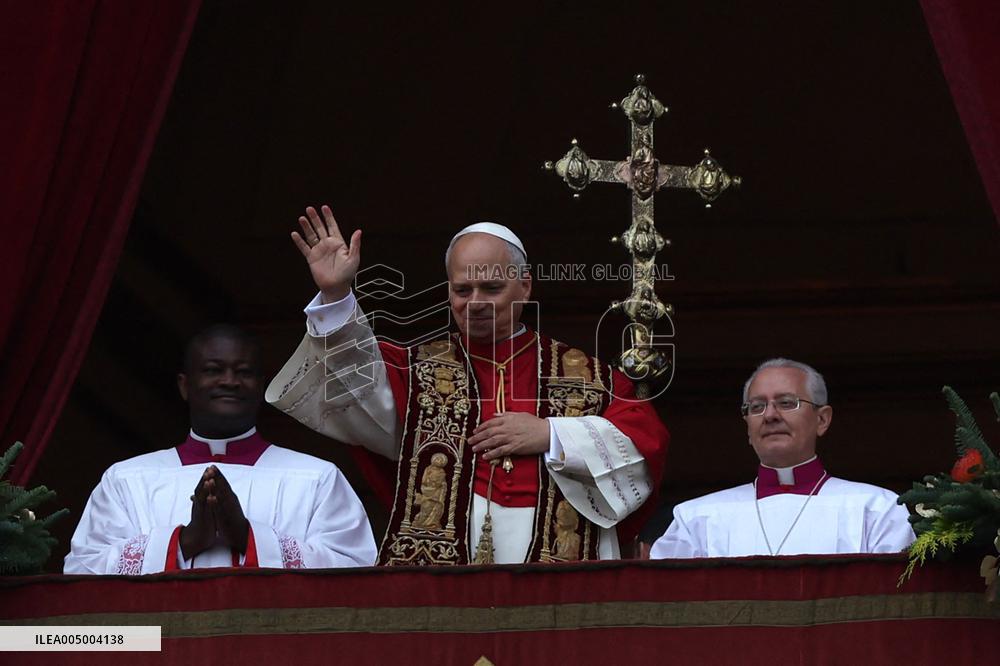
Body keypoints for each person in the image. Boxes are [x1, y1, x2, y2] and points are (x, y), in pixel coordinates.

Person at [266, 205, 670, 565]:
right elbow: (354, 390)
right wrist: (336, 295)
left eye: (491, 288)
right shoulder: (415, 370)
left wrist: (551, 434)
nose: (475, 302)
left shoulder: (587, 376)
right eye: (462, 290)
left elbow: (644, 446)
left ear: (525, 286)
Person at [65, 324, 377, 574]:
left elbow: (355, 572)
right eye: (214, 369)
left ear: (261, 384)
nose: (230, 380)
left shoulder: (318, 478)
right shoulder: (125, 480)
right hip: (158, 647)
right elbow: (82, 573)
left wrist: (247, 536)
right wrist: (183, 542)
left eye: (243, 371)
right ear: (185, 386)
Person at [650, 358, 915, 558]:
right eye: (757, 406)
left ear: (822, 419)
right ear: (747, 426)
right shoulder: (696, 518)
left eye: (787, 403)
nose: (770, 415)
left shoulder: (878, 510)